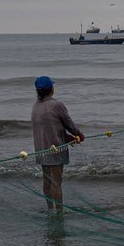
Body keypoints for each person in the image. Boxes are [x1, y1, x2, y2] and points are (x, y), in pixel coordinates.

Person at [31, 75, 84, 209]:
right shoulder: (56, 105)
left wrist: (68, 137)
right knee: (56, 182)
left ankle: (50, 208)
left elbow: (50, 126)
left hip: (41, 150)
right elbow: (69, 124)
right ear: (51, 89)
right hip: (55, 150)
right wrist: (79, 134)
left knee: (47, 181)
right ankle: (59, 213)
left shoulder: (35, 106)